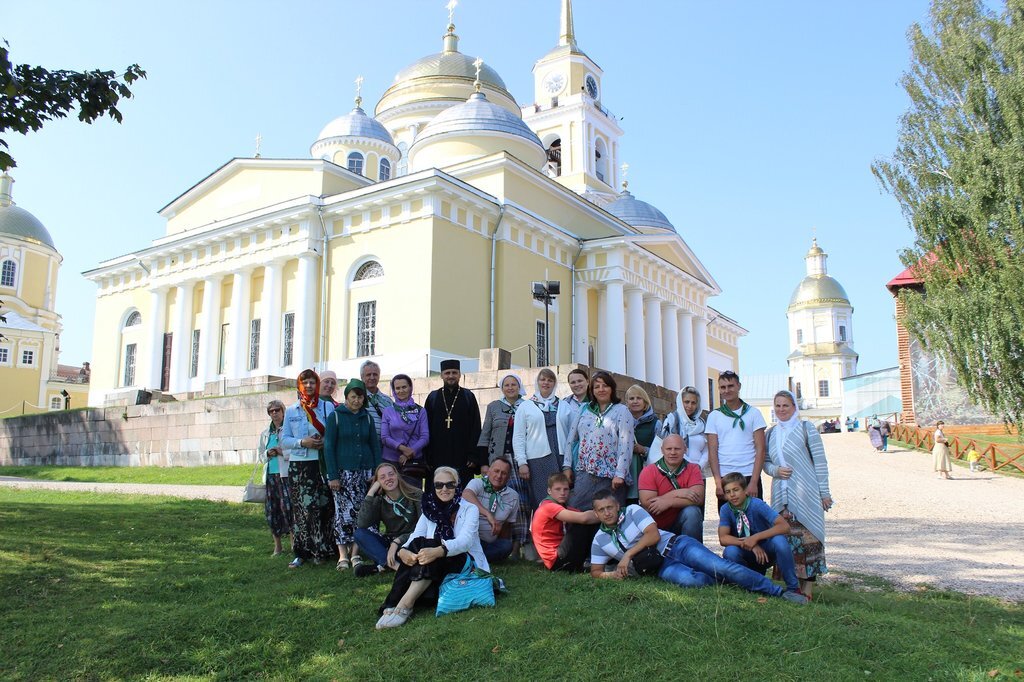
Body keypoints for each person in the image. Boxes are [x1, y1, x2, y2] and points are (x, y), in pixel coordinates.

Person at [588, 489, 806, 603]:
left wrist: (626, 556)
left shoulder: (633, 511)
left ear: (617, 506)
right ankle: (738, 582)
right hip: (660, 566)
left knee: (721, 567)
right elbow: (596, 571)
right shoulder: (600, 539)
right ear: (596, 513)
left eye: (610, 507)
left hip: (677, 545)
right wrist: (611, 575)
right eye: (601, 510)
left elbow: (653, 535)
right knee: (695, 581)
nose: (607, 513)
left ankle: (778, 592)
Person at [376, 466, 489, 629]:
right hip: (433, 564)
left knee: (432, 543)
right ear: (433, 487)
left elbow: (465, 542)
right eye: (439, 485)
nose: (444, 489)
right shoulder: (429, 508)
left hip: (464, 560)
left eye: (450, 485)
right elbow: (416, 534)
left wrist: (439, 550)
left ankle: (403, 604)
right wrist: (403, 550)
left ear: (457, 486)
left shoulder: (469, 509)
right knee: (418, 544)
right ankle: (395, 602)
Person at [764, 390, 833, 599]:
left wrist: (824, 493)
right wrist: (775, 471)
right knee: (787, 542)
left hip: (806, 494)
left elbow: (820, 461)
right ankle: (793, 588)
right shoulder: (771, 433)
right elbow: (765, 462)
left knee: (808, 540)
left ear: (794, 407)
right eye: (778, 406)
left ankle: (808, 590)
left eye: (786, 405)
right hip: (781, 496)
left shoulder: (806, 428)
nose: (781, 410)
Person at [718, 472, 806, 601]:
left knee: (779, 541)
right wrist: (750, 544)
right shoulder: (726, 509)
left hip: (766, 550)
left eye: (736, 490)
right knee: (730, 551)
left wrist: (756, 538)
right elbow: (723, 538)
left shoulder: (757, 504)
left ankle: (793, 588)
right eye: (728, 492)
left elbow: (784, 526)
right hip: (747, 552)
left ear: (745, 490)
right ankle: (749, 583)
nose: (732, 495)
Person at [280, 369, 337, 568]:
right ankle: (301, 551)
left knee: (323, 507)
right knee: (302, 510)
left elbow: (333, 433)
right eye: (305, 383)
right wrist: (303, 442)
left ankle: (323, 549)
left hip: (321, 463)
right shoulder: (292, 410)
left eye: (313, 382)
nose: (309, 386)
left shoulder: (328, 407)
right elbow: (284, 440)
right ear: (299, 386)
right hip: (300, 465)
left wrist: (324, 442)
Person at [324, 378, 382, 570]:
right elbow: (329, 446)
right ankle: (343, 556)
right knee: (342, 514)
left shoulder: (367, 417)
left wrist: (377, 471)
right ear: (346, 397)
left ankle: (356, 554)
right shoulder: (336, 416)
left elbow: (374, 445)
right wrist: (333, 475)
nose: (357, 400)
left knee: (363, 513)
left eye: (360, 397)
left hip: (365, 473)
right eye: (353, 397)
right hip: (343, 474)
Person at [564, 371, 634, 509]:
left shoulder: (621, 410)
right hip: (585, 472)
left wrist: (620, 474)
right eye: (597, 387)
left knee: (610, 515)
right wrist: (567, 466)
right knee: (577, 510)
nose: (601, 389)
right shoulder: (584, 409)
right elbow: (571, 439)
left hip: (611, 476)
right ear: (592, 390)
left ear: (612, 388)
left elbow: (625, 444)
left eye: (605, 386)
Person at [479, 374, 530, 558]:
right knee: (495, 502)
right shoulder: (494, 407)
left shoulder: (527, 406)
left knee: (520, 503)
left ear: (519, 386)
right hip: (498, 460)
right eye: (506, 385)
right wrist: (484, 463)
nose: (510, 388)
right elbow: (485, 434)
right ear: (502, 388)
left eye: (513, 384)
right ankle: (494, 541)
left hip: (520, 461)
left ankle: (517, 546)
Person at [706, 370, 768, 509]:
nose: (727, 390)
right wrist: (717, 483)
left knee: (754, 521)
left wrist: (754, 481)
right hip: (725, 476)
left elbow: (760, 448)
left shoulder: (753, 413)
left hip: (748, 474)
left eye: (730, 386)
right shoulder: (714, 416)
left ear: (738, 386)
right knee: (728, 522)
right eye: (723, 387)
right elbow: (712, 450)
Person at [354, 462, 422, 577]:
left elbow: (423, 528)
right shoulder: (380, 501)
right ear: (378, 482)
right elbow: (362, 523)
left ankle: (380, 566)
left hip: (413, 540)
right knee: (359, 534)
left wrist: (397, 542)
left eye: (391, 474)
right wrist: (371, 493)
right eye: (382, 477)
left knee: (416, 550)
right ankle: (395, 566)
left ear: (397, 476)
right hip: (391, 543)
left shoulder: (416, 495)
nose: (388, 479)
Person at [424, 359, 482, 485]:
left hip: (463, 457)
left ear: (460, 375)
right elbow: (425, 428)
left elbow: (476, 427)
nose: (451, 376)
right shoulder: (433, 397)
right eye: (447, 373)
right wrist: (427, 456)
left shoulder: (468, 397)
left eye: (454, 372)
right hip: (437, 456)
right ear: (441, 375)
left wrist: (473, 455)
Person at [512, 368, 563, 510]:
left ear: (554, 383)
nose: (546, 383)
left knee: (562, 496)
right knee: (541, 499)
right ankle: (541, 530)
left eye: (550, 380)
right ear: (537, 382)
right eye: (543, 379)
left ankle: (561, 531)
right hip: (537, 461)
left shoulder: (563, 405)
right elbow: (519, 436)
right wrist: (522, 462)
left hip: (560, 457)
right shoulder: (525, 406)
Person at [637, 434, 705, 541]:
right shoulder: (649, 471)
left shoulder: (693, 468)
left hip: (682, 522)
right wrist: (678, 493)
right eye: (669, 449)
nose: (673, 452)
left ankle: (692, 552)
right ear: (662, 450)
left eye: (677, 449)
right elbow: (648, 503)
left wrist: (669, 502)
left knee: (692, 512)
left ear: (685, 450)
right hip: (656, 527)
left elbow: (698, 498)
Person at [531, 472, 600, 572]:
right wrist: (609, 514)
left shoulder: (560, 506)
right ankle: (601, 561)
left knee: (589, 521)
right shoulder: (548, 506)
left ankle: (600, 560)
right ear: (549, 491)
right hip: (556, 561)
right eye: (558, 489)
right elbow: (584, 518)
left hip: (559, 556)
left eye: (566, 489)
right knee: (582, 523)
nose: (562, 493)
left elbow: (583, 514)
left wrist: (602, 513)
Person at [659, 386, 710, 514]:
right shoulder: (672, 420)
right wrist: (689, 465)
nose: (690, 406)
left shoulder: (701, 423)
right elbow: (667, 445)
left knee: (697, 511)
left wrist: (699, 466)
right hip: (676, 472)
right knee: (677, 512)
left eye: (693, 402)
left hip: (698, 473)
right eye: (686, 402)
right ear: (680, 402)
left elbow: (706, 448)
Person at [462, 456, 520, 563]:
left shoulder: (513, 496)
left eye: (504, 473)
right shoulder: (477, 483)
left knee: (506, 546)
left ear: (508, 477)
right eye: (496, 471)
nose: (499, 476)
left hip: (489, 544)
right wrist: (487, 514)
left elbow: (507, 525)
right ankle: (476, 557)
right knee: (464, 543)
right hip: (471, 539)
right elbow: (466, 495)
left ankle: (474, 558)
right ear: (488, 471)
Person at [380, 374, 429, 485]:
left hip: (413, 461)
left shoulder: (420, 411)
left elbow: (425, 437)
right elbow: (384, 437)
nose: (401, 391)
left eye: (404, 387)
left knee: (413, 495)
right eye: (397, 388)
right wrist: (403, 448)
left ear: (410, 388)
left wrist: (410, 452)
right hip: (390, 461)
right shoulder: (388, 411)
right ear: (393, 390)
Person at [259, 399, 292, 556]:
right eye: (271, 411)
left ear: (283, 411)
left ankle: (294, 543)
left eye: (277, 410)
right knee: (272, 510)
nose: (274, 413)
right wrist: (268, 453)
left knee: (288, 508)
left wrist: (282, 453)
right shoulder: (266, 433)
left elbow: (296, 451)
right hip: (271, 476)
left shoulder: (288, 429)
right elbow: (260, 455)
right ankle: (277, 546)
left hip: (285, 475)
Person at [625, 384, 660, 503]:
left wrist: (643, 450)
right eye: (631, 398)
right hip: (626, 472)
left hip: (646, 470)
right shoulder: (622, 421)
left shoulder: (655, 423)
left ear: (645, 402)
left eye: (638, 398)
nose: (635, 401)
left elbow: (661, 451)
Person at [556, 367, 590, 472]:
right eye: (573, 382)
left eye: (580, 381)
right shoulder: (563, 404)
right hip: (570, 452)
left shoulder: (597, 403)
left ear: (587, 381)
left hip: (592, 450)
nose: (577, 384)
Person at [360, 360, 393, 443]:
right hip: (365, 445)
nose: (372, 377)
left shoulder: (387, 400)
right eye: (368, 375)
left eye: (375, 374)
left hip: (385, 447)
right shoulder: (357, 398)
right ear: (362, 377)